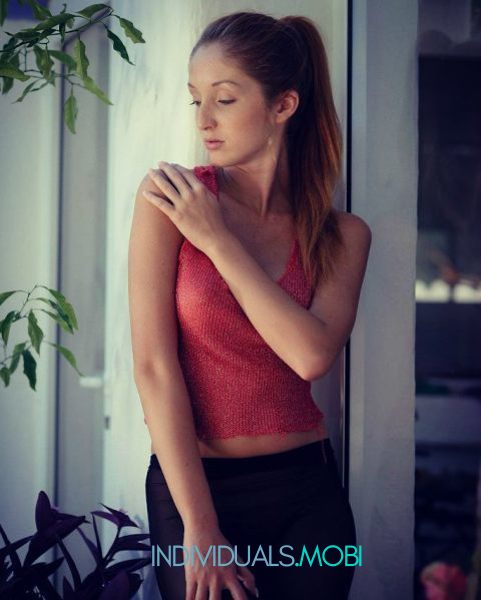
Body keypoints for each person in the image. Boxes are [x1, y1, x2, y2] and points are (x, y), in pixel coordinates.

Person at [128, 10, 371, 600]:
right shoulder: (169, 200)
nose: (203, 120)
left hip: (307, 495)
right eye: (196, 100)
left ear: (283, 105)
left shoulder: (341, 235)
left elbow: (311, 356)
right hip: (195, 490)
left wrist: (218, 241)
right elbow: (154, 369)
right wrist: (200, 527)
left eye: (225, 99)